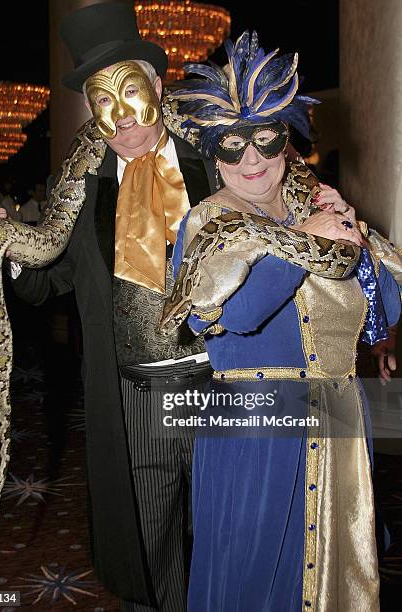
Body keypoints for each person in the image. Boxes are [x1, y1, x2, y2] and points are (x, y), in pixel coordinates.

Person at [165, 31, 401, 611]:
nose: (251, 160)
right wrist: (304, 242)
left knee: (337, 577)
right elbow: (240, 316)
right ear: (212, 151)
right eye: (232, 147)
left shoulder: (316, 206)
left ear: (286, 142)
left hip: (339, 419)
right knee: (253, 572)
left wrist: (356, 241)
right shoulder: (207, 223)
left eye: (266, 144)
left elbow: (383, 312)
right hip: (257, 429)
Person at [7, 3, 216, 610]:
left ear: (157, 84)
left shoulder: (216, 163)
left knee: (220, 500)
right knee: (153, 514)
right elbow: (48, 283)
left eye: (132, 94)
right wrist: (12, 252)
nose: (122, 120)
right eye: (104, 104)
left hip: (222, 369)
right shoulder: (84, 187)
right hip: (136, 381)